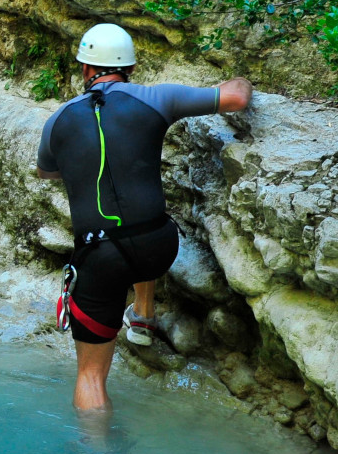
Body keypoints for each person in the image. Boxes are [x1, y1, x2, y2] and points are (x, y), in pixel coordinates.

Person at [36, 23, 253, 412]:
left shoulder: (57, 121)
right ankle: (143, 315)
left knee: (90, 376)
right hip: (157, 245)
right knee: (140, 223)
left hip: (99, 258)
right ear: (130, 68)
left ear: (86, 69)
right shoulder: (159, 98)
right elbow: (236, 97)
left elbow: (48, 172)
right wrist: (240, 77)